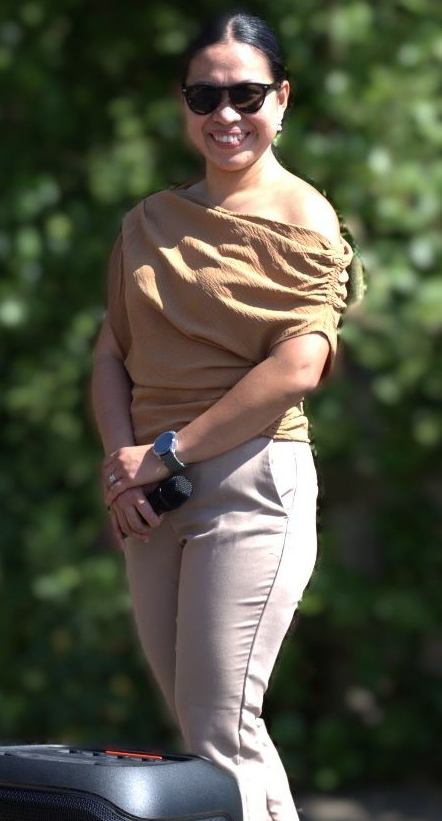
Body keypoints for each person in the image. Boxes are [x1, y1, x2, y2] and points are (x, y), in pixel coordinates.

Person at [91, 9, 360, 821]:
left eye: (245, 94)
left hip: (250, 483)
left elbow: (298, 365)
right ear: (183, 107)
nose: (225, 115)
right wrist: (122, 468)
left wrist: (167, 452)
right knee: (209, 728)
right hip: (150, 489)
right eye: (204, 96)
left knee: (220, 724)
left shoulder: (302, 217)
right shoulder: (149, 223)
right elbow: (111, 353)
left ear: (281, 100)